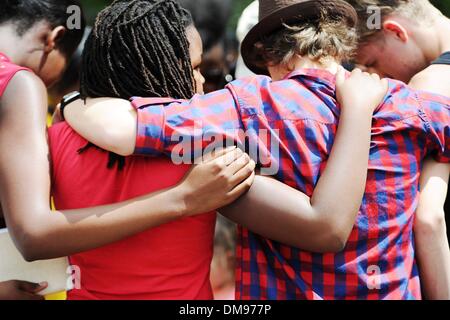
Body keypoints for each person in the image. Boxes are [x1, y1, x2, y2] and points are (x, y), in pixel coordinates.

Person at [63, 0, 450, 300]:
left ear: (268, 56)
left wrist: (70, 102)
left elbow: (117, 127)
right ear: (340, 39)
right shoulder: (408, 105)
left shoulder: (249, 105)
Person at [0, 0, 255, 300]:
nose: (201, 81)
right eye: (195, 68)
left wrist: (70, 105)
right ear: (162, 67)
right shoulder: (204, 143)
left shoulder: (55, 138)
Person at [346, 0, 450, 300]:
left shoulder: (429, 88)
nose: (371, 77)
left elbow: (428, 219)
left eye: (370, 63)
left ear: (395, 31)